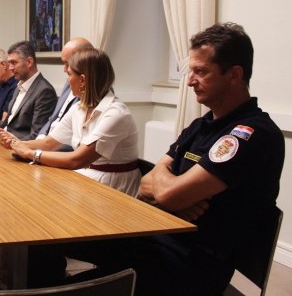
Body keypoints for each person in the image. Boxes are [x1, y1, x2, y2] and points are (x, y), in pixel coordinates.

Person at [29, 23, 285, 295]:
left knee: (58, 285)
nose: (190, 81)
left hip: (190, 265)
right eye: (191, 71)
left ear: (234, 75)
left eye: (201, 72)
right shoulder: (201, 126)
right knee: (41, 237)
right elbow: (147, 185)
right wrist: (172, 197)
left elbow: (168, 194)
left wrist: (170, 195)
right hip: (157, 237)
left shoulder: (250, 134)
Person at [2, 48, 141, 196]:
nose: (67, 80)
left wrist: (30, 153)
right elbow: (49, 143)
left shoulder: (116, 114)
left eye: (69, 74)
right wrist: (16, 143)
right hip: (86, 178)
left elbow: (77, 160)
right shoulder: (79, 108)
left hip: (112, 189)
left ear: (82, 80)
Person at [0, 41, 56, 140]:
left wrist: (12, 142)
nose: (10, 68)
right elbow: (9, 124)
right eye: (9, 63)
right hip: (3, 141)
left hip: (17, 147)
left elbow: (36, 137)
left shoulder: (45, 91)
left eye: (14, 63)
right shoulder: (19, 85)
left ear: (29, 62)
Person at [35, 37, 94, 147]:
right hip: (47, 143)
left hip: (62, 150)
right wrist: (39, 139)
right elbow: (52, 119)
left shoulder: (96, 93)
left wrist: (36, 150)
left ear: (84, 59)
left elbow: (78, 144)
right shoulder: (69, 82)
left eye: (68, 63)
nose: (64, 69)